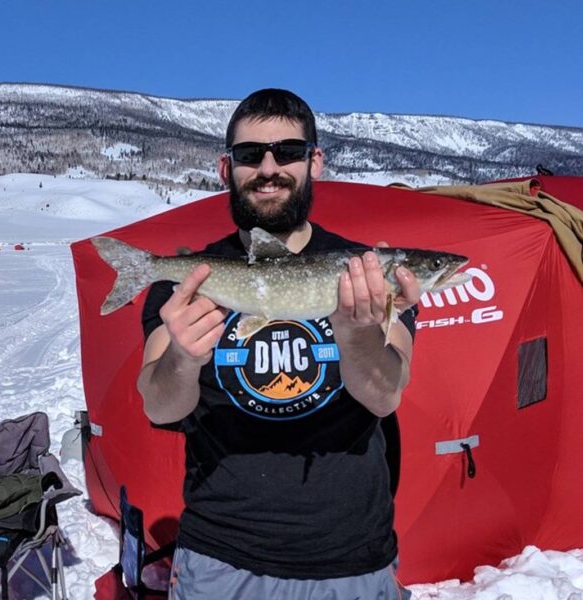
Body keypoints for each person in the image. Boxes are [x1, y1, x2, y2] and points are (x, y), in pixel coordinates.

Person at [138, 89, 420, 600]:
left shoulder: (367, 273)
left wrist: (358, 331)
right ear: (227, 170)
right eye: (250, 155)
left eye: (287, 152)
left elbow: (386, 395)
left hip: (350, 557)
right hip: (221, 559)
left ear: (315, 162)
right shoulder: (191, 280)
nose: (269, 168)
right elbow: (159, 407)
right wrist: (181, 357)